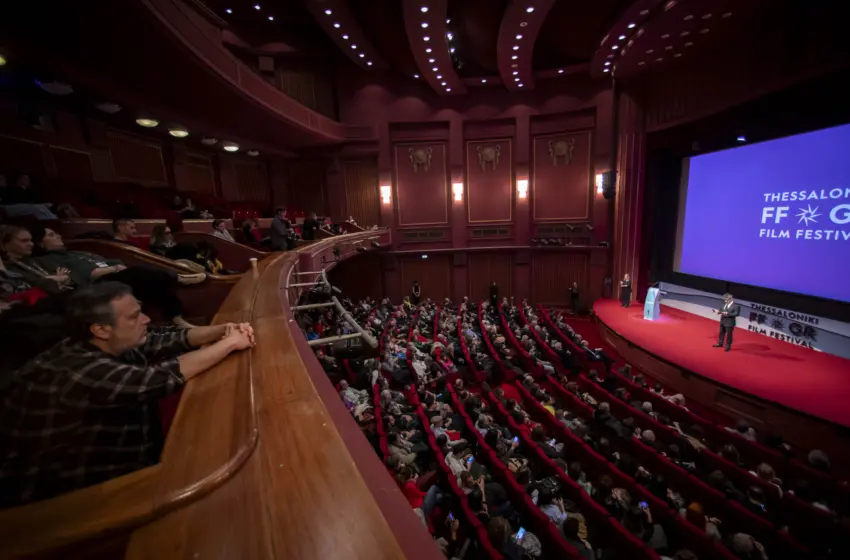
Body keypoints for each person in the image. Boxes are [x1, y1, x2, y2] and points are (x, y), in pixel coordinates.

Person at [0, 282, 255, 506]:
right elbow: (152, 380)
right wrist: (231, 343)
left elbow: (163, 338)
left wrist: (221, 331)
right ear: (100, 329)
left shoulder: (108, 342)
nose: (145, 319)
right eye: (134, 317)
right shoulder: (72, 369)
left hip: (123, 462)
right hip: (65, 498)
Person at [24, 226, 203, 327]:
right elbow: (83, 275)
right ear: (41, 243)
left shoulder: (75, 252)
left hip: (113, 273)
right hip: (98, 284)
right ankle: (177, 278)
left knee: (149, 281)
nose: (59, 235)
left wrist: (114, 266)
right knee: (138, 274)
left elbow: (109, 260)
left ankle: (177, 319)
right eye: (52, 234)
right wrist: (112, 269)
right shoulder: (47, 260)